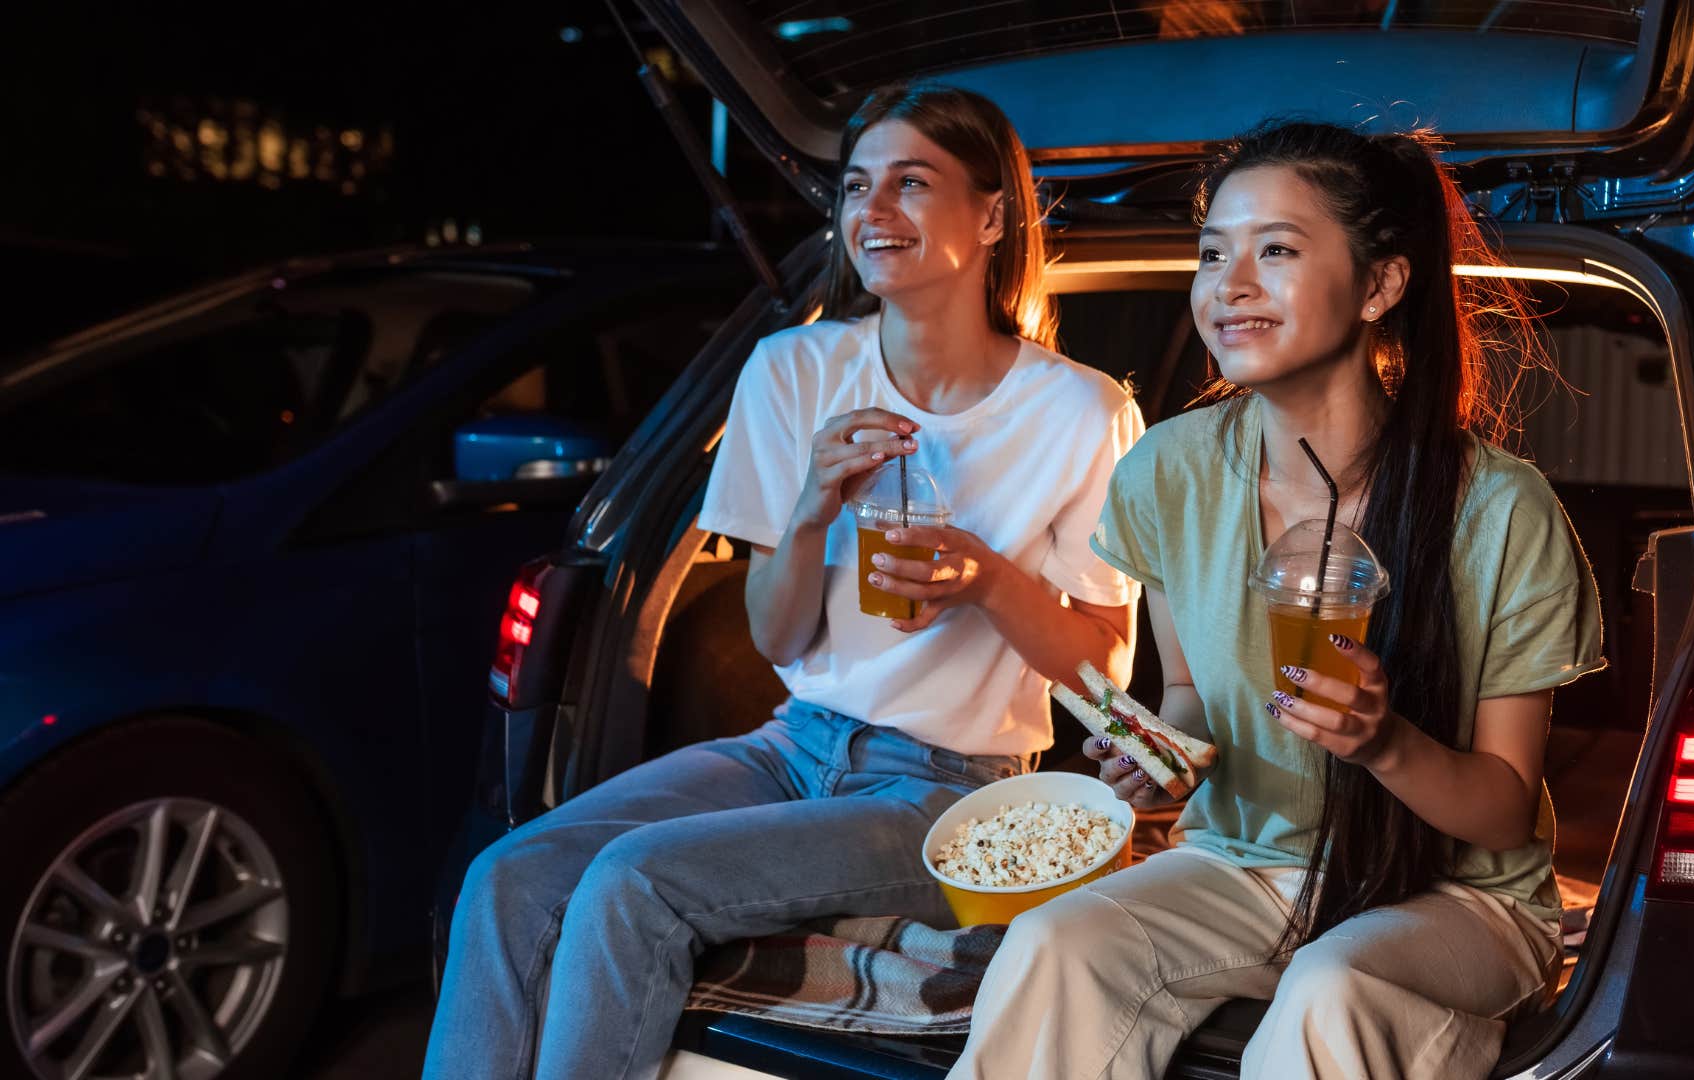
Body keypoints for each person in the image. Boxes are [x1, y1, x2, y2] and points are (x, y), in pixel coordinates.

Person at [422, 83, 1144, 1080]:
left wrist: (985, 579)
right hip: (790, 745)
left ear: (989, 215)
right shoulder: (792, 370)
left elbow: (1105, 672)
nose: (871, 211)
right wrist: (811, 503)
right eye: (856, 186)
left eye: (911, 183)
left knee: (635, 882)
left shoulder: (1081, 414)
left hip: (948, 789)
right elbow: (777, 638)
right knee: (509, 876)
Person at [950, 120, 1604, 1079]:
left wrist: (1385, 741)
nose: (1230, 283)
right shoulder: (1167, 470)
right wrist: (1160, 762)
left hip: (1461, 896)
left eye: (1278, 250)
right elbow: (1187, 697)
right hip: (1242, 863)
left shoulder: (1500, 510)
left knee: (1330, 989)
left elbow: (1503, 816)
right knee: (1055, 942)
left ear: (1382, 285)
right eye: (1213, 252)